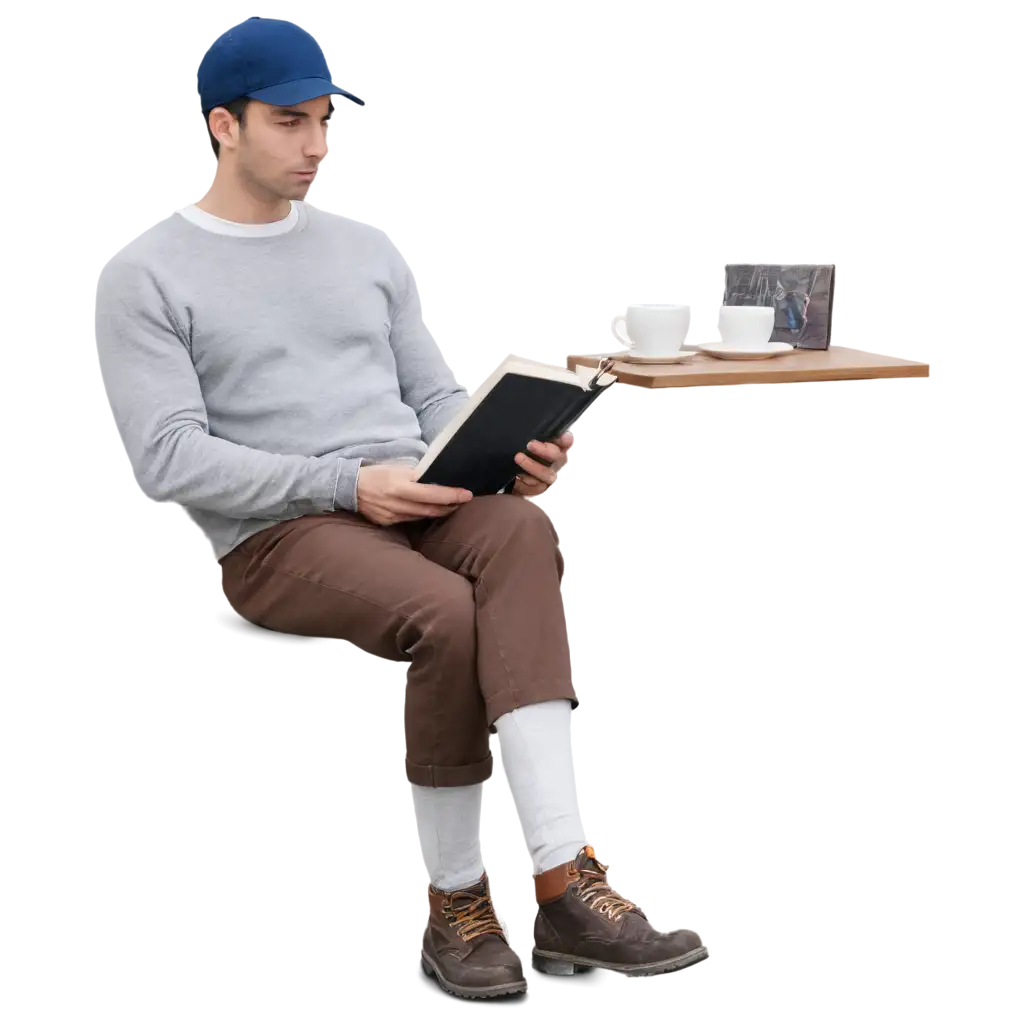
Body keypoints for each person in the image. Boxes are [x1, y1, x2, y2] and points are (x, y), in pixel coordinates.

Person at [86, 15, 709, 1001]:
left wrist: (507, 457)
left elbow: (431, 405)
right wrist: (344, 484)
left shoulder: (369, 250)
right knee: (444, 613)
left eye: (327, 121)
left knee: (522, 529)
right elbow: (166, 458)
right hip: (279, 529)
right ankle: (453, 903)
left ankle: (564, 880)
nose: (318, 146)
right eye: (291, 122)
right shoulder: (143, 274)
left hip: (413, 490)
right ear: (222, 125)